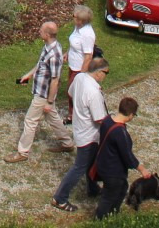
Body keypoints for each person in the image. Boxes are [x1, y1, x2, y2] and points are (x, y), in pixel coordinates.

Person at [6, 20, 72, 162]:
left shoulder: (54, 54)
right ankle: (68, 143)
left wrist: (48, 101)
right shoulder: (49, 46)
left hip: (43, 95)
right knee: (53, 118)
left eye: (41, 30)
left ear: (47, 34)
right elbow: (40, 65)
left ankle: (22, 152)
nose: (39, 31)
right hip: (43, 93)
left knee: (30, 121)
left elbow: (55, 80)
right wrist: (28, 75)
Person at [53, 56, 109, 212]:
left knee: (91, 162)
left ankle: (92, 188)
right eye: (106, 72)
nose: (106, 75)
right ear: (98, 72)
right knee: (79, 167)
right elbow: (99, 119)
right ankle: (60, 198)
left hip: (79, 129)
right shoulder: (94, 92)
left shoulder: (79, 77)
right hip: (89, 135)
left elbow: (70, 93)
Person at [92, 97, 151, 220]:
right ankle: (99, 219)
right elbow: (127, 156)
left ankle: (113, 214)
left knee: (122, 188)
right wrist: (142, 169)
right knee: (109, 196)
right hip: (113, 171)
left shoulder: (108, 119)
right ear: (130, 115)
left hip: (102, 164)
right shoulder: (120, 132)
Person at [63, 4, 96, 124]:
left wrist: (82, 75)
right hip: (73, 65)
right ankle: (73, 113)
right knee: (71, 91)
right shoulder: (77, 28)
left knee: (73, 92)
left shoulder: (87, 34)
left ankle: (74, 116)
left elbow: (88, 56)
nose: (72, 17)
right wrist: (68, 52)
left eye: (74, 16)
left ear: (81, 20)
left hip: (79, 69)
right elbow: (75, 43)